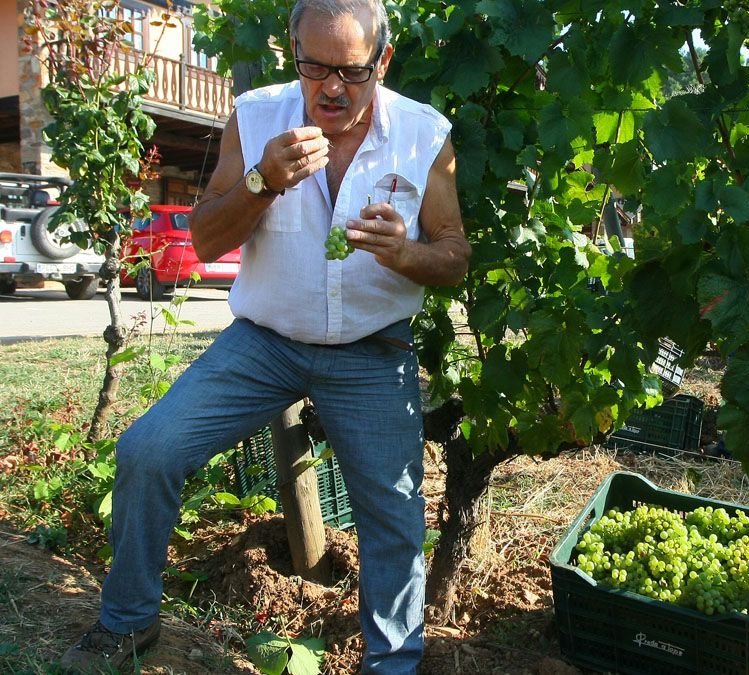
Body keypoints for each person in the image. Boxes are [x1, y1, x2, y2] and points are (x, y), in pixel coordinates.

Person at [59, 0, 469, 672]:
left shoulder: (425, 136)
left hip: (372, 349)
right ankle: (128, 621)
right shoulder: (255, 117)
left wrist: (406, 254)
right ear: (292, 53)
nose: (331, 87)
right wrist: (262, 181)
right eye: (314, 66)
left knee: (395, 515)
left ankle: (392, 662)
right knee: (148, 450)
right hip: (265, 344)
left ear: (383, 62)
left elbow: (454, 255)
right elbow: (208, 236)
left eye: (351, 71)